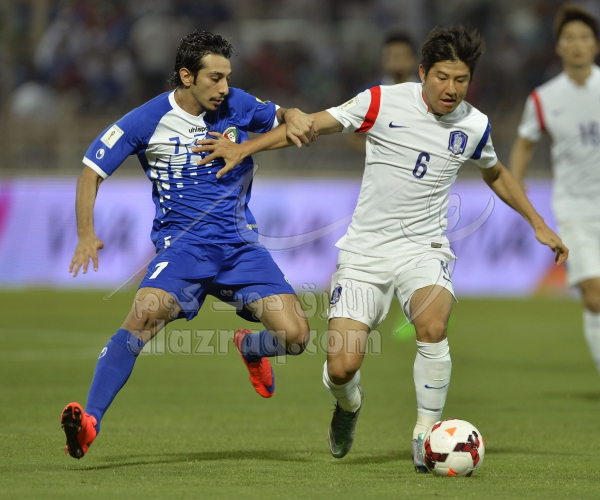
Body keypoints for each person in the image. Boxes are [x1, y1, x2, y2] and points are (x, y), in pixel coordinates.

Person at [194, 26, 568, 472]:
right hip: (365, 254)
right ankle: (348, 406)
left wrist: (538, 222)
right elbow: (309, 126)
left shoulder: (474, 125)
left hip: (425, 248)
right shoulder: (380, 101)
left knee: (432, 325)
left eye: (461, 80)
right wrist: (245, 149)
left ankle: (425, 435)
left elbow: (496, 172)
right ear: (422, 72)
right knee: (341, 368)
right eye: (442, 77)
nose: (451, 89)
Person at [60, 31, 318, 460]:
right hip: (184, 249)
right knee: (142, 317)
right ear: (186, 76)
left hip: (240, 249)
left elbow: (283, 118)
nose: (224, 87)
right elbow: (91, 171)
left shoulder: (237, 104)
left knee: (296, 336)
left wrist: (291, 112)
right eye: (215, 78)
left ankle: (250, 347)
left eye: (227, 77)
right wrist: (86, 233)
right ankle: (90, 422)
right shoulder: (146, 119)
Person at [510, 4, 600, 378]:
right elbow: (525, 142)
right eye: (569, 38)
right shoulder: (544, 98)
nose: (577, 44)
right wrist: (516, 181)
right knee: (595, 294)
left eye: (584, 37)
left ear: (595, 44)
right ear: (559, 46)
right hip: (574, 209)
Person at [348, 33, 418, 153]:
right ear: (383, 60)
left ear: (413, 60)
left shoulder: (427, 93)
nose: (397, 61)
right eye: (392, 56)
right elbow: (352, 137)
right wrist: (384, 151)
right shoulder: (367, 94)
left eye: (401, 56)